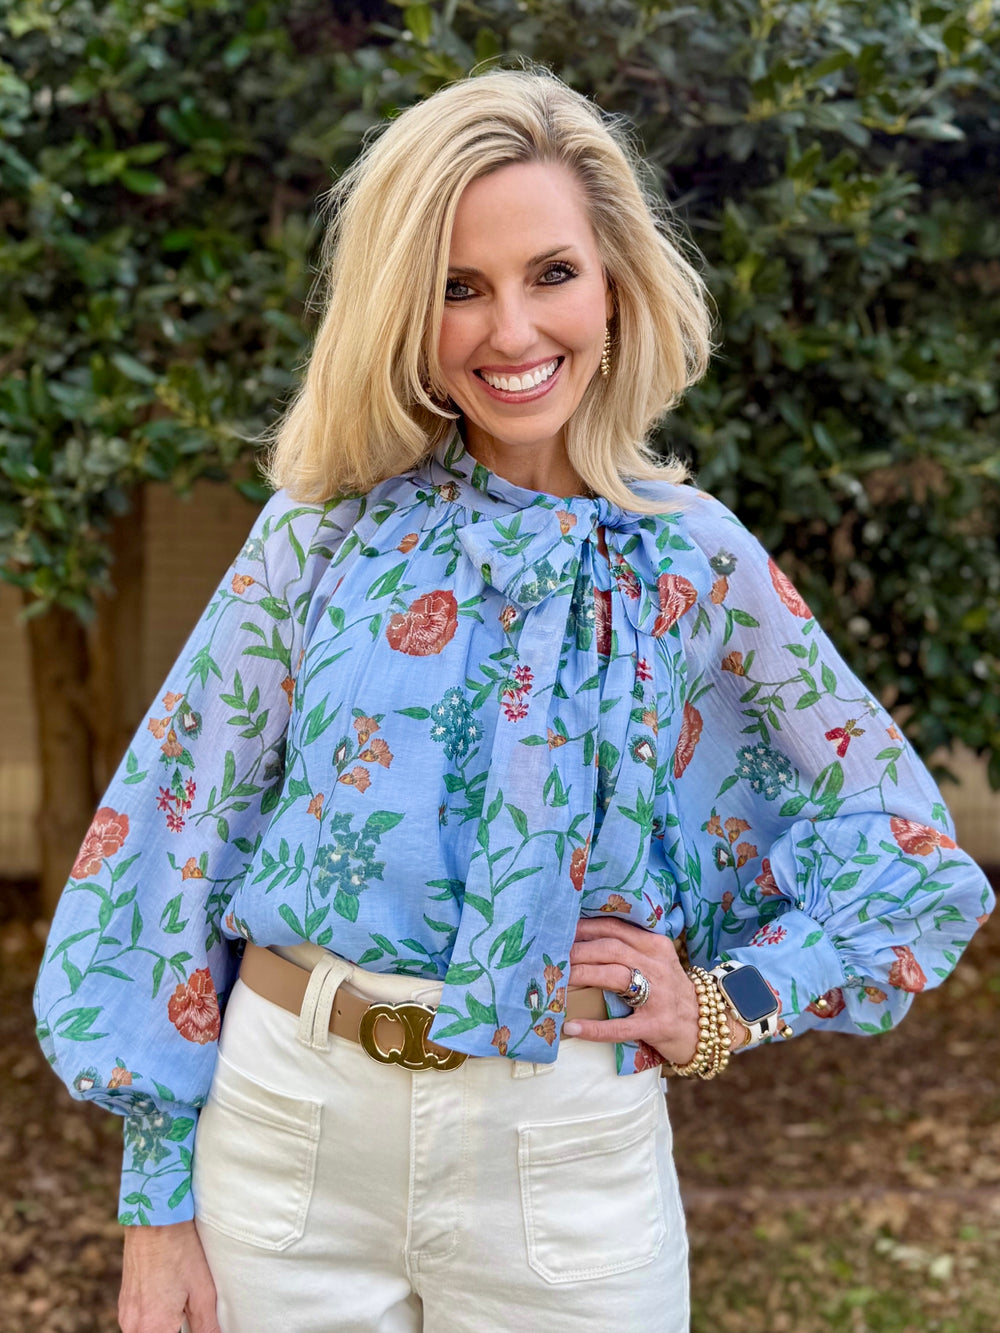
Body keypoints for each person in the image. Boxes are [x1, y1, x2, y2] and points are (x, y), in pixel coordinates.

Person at [35, 68, 993, 1333]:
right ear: (402, 308)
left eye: (551, 274)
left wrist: (725, 1005)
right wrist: (156, 1201)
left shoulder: (694, 561)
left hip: (564, 1155)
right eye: (458, 288)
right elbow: (175, 833)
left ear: (615, 284)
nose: (511, 331)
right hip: (285, 1143)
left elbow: (905, 849)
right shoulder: (319, 533)